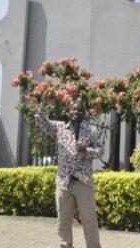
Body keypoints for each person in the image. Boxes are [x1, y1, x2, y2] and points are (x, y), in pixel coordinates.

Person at [36, 99, 104, 248]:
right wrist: (43, 104)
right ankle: (66, 244)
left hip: (83, 182)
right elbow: (41, 121)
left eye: (80, 110)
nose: (76, 112)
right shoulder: (59, 128)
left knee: (89, 220)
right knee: (63, 219)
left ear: (84, 113)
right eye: (73, 109)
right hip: (63, 182)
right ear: (68, 112)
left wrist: (87, 151)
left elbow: (100, 151)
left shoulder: (93, 130)